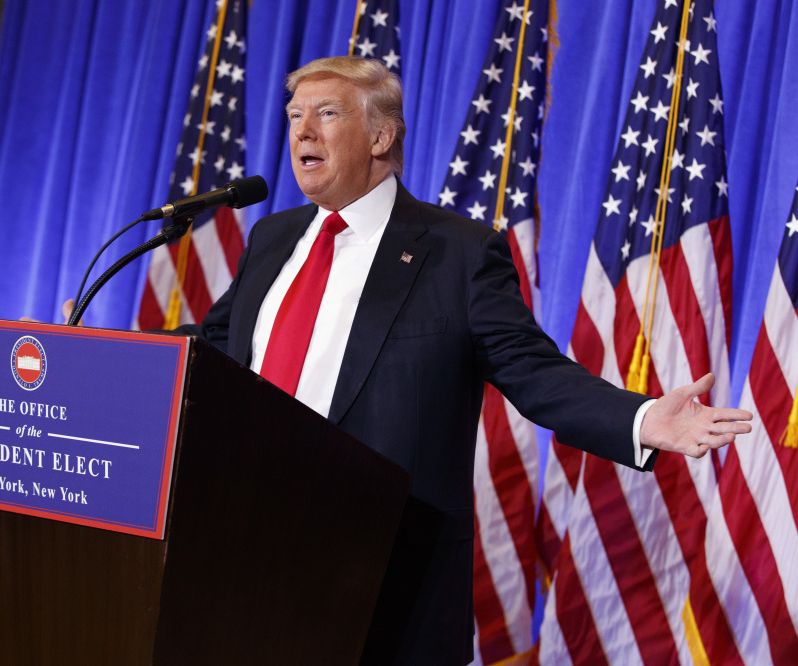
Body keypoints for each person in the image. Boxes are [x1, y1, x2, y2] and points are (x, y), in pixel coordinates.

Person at [157, 57, 753, 664]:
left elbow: (532, 369)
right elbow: (216, 345)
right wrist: (106, 351)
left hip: (383, 579)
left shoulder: (457, 253)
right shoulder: (274, 238)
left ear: (382, 136)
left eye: (326, 114)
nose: (302, 131)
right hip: (246, 554)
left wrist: (641, 418)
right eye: (294, 116)